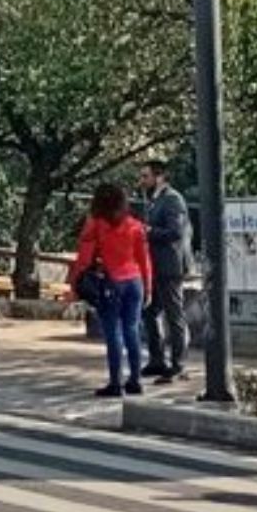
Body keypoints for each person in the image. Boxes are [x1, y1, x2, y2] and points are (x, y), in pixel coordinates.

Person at [68, 184, 154, 398]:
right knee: (132, 330)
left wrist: (75, 285)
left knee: (113, 333)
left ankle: (115, 382)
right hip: (135, 281)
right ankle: (135, 380)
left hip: (110, 282)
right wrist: (148, 287)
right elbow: (145, 260)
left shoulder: (95, 225)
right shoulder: (135, 226)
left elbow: (84, 259)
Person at [138, 161, 193, 384]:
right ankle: (157, 359)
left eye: (145, 176)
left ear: (159, 177)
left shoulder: (172, 199)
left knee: (174, 314)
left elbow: (176, 231)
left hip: (171, 266)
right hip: (157, 266)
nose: (142, 181)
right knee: (150, 312)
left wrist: (149, 231)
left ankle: (179, 364)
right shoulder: (154, 200)